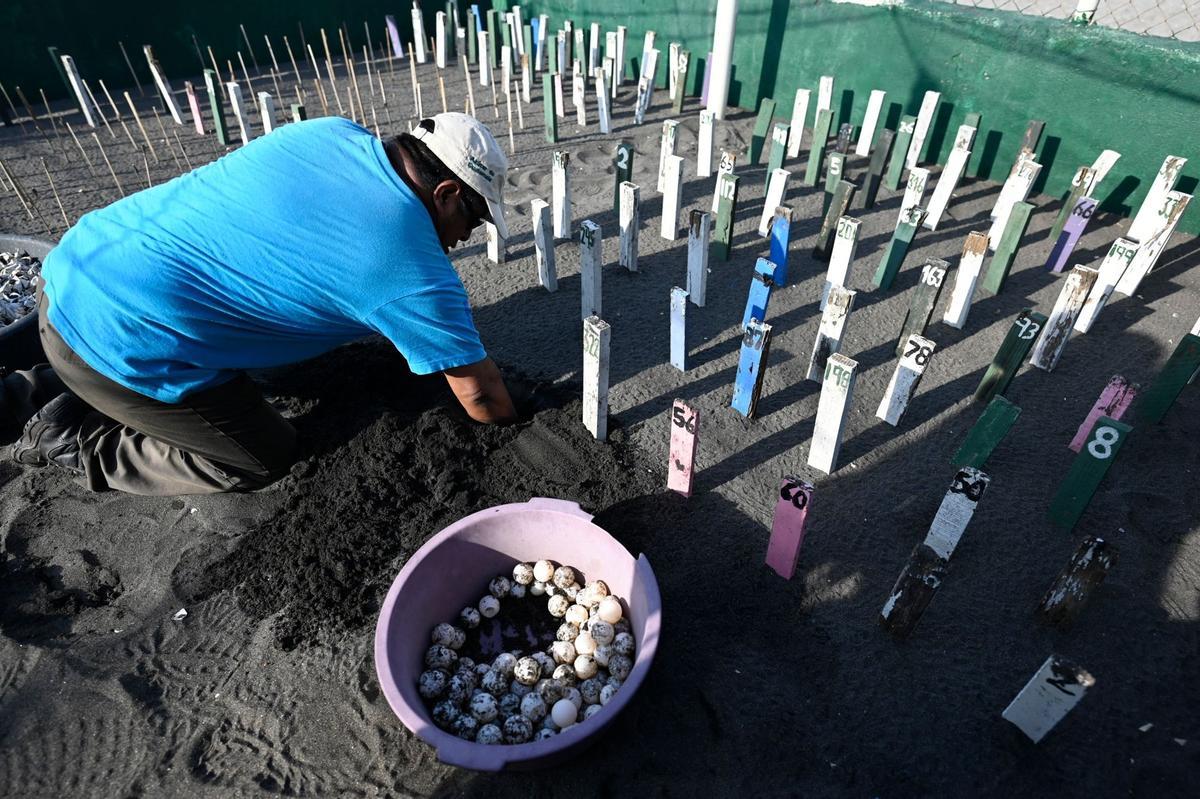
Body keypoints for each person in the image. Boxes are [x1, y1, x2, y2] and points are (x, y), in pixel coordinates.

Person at [0, 112, 517, 495]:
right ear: (446, 193)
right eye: (472, 220)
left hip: (77, 265)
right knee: (259, 456)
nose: (464, 237)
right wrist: (516, 427)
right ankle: (74, 442)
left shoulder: (330, 132)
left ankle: (59, 384)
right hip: (118, 336)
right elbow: (482, 396)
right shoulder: (412, 270)